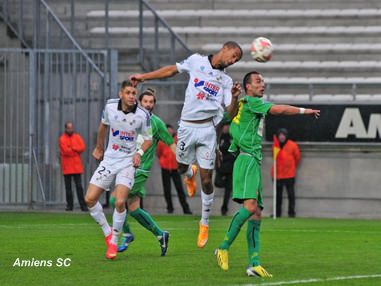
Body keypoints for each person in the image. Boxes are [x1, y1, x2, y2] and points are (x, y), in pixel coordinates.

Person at [130, 41, 243, 248]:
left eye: (237, 60)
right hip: (187, 128)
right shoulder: (196, 61)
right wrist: (143, 77)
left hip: (208, 131)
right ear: (225, 48)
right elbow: (171, 70)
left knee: (207, 180)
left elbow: (229, 114)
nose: (233, 61)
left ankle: (204, 223)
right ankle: (189, 174)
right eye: (233, 55)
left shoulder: (226, 81)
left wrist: (235, 98)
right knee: (180, 168)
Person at [215, 71, 320, 277]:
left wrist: (219, 143)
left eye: (262, 81)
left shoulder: (244, 104)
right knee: (251, 207)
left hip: (252, 159)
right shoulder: (253, 102)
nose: (262, 84)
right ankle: (223, 246)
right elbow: (279, 109)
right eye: (257, 81)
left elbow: (225, 119)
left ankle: (254, 263)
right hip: (246, 159)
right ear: (248, 87)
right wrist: (304, 110)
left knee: (256, 214)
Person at [84, 80, 153, 260]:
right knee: (89, 199)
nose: (132, 96)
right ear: (121, 94)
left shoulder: (143, 115)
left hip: (128, 162)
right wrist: (99, 147)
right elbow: (103, 127)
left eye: (133, 93)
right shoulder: (110, 106)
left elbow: (148, 139)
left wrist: (139, 153)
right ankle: (107, 232)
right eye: (128, 92)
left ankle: (114, 240)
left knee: (120, 202)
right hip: (109, 159)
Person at [109, 88, 176, 255]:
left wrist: (186, 165)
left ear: (154, 104)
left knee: (115, 200)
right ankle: (161, 235)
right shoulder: (133, 119)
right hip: (126, 167)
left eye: (151, 102)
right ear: (139, 102)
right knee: (133, 208)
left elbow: (171, 144)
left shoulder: (157, 123)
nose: (148, 104)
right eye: (145, 101)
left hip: (139, 170)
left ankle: (128, 234)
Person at [157, 124, 192, 214]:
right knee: (167, 189)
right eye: (167, 130)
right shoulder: (161, 141)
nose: (169, 132)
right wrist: (162, 161)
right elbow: (159, 153)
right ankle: (169, 207)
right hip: (165, 168)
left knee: (179, 189)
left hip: (175, 168)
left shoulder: (178, 140)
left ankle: (185, 208)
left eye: (170, 130)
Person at [271, 128, 301, 218]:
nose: (281, 137)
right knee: (278, 196)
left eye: (283, 135)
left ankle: (291, 213)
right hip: (278, 175)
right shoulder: (275, 146)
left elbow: (297, 158)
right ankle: (277, 213)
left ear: (286, 136)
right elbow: (274, 157)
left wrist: (290, 167)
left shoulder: (293, 145)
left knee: (291, 195)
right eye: (280, 135)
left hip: (289, 175)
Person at [59, 121, 87, 211]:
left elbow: (82, 147)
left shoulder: (77, 137)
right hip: (67, 167)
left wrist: (72, 148)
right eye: (69, 128)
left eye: (71, 127)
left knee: (79, 187)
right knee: (68, 188)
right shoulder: (62, 138)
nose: (70, 129)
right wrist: (75, 149)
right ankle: (69, 206)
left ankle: (83, 205)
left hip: (76, 167)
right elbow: (65, 151)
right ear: (66, 128)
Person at [214, 122, 235, 216]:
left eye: (227, 126)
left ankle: (224, 208)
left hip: (230, 168)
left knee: (228, 189)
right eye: (225, 126)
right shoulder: (219, 137)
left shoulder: (232, 137)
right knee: (217, 183)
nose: (226, 128)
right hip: (221, 167)